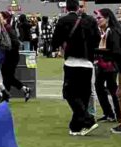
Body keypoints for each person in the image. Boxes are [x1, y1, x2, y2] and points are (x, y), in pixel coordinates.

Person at [52, 0, 97, 136]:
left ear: (66, 7)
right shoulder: (90, 20)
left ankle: (88, 119)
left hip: (72, 62)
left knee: (69, 93)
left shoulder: (63, 21)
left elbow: (55, 41)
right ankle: (76, 126)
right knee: (83, 94)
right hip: (88, 63)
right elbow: (97, 39)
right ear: (78, 7)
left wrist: (64, 45)